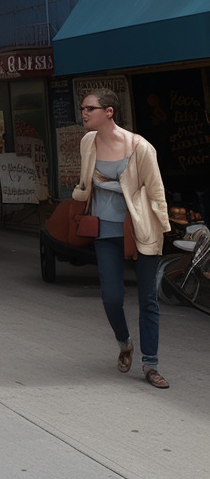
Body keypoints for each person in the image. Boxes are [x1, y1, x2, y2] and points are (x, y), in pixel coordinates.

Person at [73, 89, 170, 389]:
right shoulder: (88, 142)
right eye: (83, 108)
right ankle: (124, 342)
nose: (84, 113)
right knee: (112, 297)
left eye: (90, 108)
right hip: (104, 232)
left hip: (140, 231)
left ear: (109, 111)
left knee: (148, 300)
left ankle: (150, 363)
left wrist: (162, 233)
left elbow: (155, 193)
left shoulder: (140, 147)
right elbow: (86, 181)